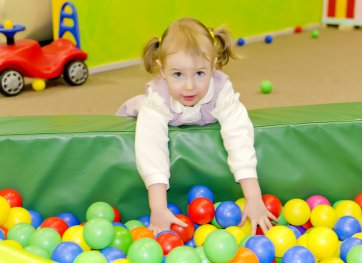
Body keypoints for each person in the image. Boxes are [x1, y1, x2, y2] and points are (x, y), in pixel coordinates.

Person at [116, 17, 277, 235]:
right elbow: (151, 148)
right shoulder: (158, 99)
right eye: (178, 74)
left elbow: (239, 136)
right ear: (162, 71)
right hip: (152, 111)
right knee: (137, 114)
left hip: (204, 113)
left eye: (200, 73)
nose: (190, 86)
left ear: (214, 66)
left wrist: (254, 198)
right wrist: (158, 208)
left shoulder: (222, 92)